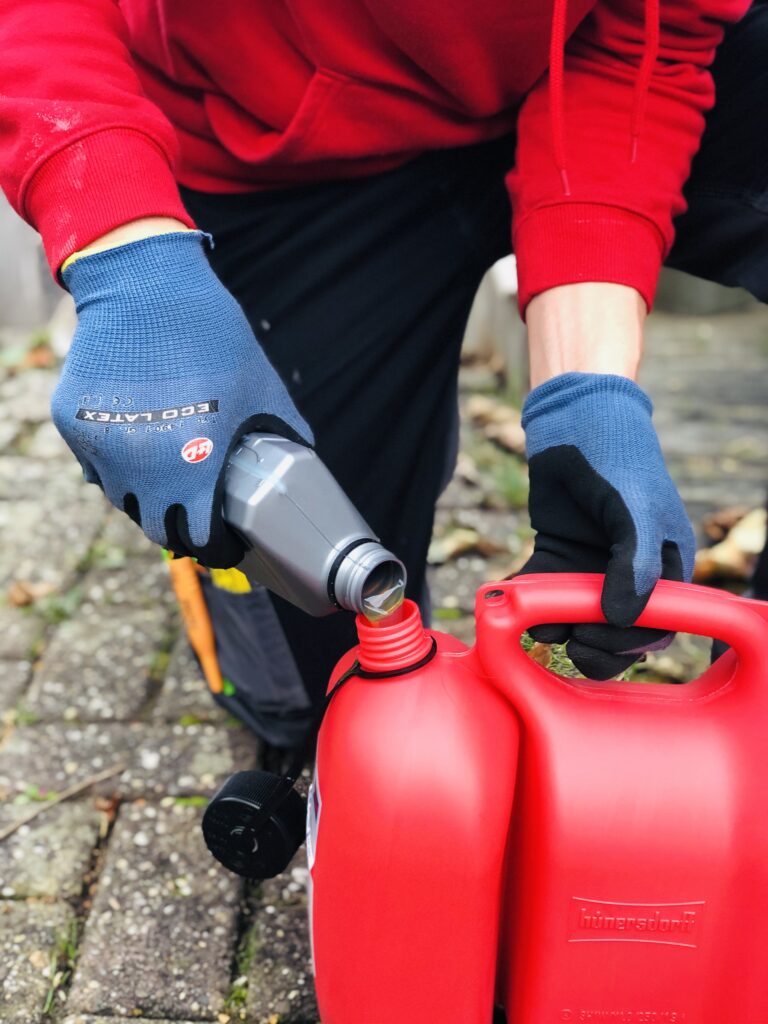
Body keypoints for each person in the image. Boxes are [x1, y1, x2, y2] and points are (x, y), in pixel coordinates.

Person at [0, 0, 756, 748]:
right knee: (315, 677)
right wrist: (128, 255)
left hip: (555, 101)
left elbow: (643, 45)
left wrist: (586, 394)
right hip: (271, 154)